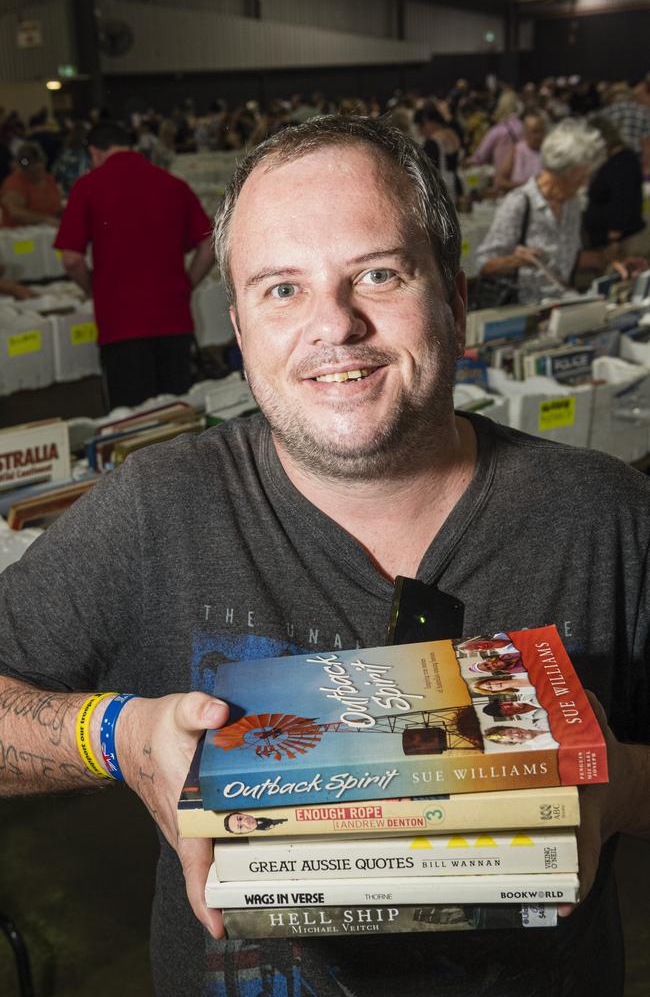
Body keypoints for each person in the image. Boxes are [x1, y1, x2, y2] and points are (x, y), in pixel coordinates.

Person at [0, 115, 648, 997]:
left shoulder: (605, 515)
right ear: (237, 325)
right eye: (281, 289)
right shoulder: (159, 508)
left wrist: (619, 788)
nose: (333, 326)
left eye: (378, 274)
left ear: (455, 298)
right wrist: (116, 735)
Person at [54, 121, 214, 409]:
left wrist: (92, 288)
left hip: (121, 324)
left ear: (94, 151)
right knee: (176, 419)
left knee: (132, 422)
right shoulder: (173, 184)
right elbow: (211, 244)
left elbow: (71, 259)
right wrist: (186, 285)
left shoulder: (88, 186)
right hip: (173, 319)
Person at [477, 119, 609, 303]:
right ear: (562, 171)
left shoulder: (572, 204)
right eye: (580, 178)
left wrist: (608, 262)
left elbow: (566, 257)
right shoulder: (519, 202)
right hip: (524, 309)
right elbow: (484, 264)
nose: (585, 184)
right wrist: (517, 260)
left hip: (562, 304)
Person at [584, 116, 649, 260]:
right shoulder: (619, 160)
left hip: (623, 240)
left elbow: (622, 201)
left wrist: (614, 238)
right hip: (614, 238)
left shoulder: (622, 162)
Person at [0, 141, 61, 227]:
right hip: (17, 235)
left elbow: (57, 208)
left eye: (40, 162)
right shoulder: (14, 183)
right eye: (34, 164)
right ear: (24, 168)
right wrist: (45, 219)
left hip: (46, 231)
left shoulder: (49, 179)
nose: (39, 167)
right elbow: (16, 212)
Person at [494, 109, 546, 193]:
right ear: (525, 132)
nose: (539, 136)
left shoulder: (548, 152)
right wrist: (527, 187)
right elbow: (500, 181)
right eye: (535, 131)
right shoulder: (516, 150)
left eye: (541, 131)